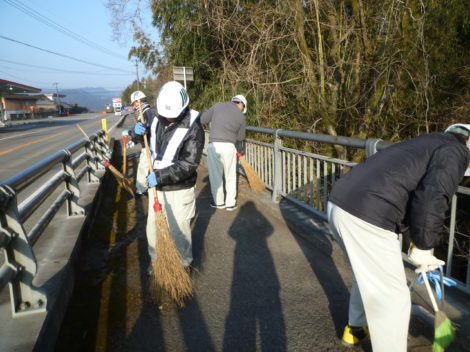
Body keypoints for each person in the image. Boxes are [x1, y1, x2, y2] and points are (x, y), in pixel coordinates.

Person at [327, 124, 470, 351]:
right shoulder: (457, 152)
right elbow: (433, 196)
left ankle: (355, 329)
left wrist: (415, 237)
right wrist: (424, 245)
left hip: (340, 204)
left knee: (366, 274)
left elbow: (405, 188)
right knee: (393, 298)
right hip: (367, 217)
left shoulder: (428, 141)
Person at [131, 81, 205, 271]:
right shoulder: (154, 116)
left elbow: (188, 165)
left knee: (180, 231)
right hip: (158, 187)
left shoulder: (194, 129)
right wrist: (136, 133)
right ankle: (157, 262)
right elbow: (142, 139)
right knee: (154, 229)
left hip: (180, 189)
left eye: (173, 115)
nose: (168, 119)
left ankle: (183, 263)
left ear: (184, 107)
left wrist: (160, 176)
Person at [201, 95, 247, 211]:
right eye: (243, 107)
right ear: (241, 104)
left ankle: (218, 202)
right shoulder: (241, 117)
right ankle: (230, 204)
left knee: (216, 176)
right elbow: (241, 137)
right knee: (230, 176)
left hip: (214, 145)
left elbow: (203, 119)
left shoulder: (218, 105)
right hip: (229, 147)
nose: (242, 110)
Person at [130, 90, 155, 195]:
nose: (133, 106)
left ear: (137, 102)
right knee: (145, 167)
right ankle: (143, 188)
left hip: (148, 145)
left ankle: (141, 190)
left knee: (143, 168)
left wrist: (133, 137)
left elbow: (143, 133)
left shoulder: (145, 113)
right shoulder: (147, 111)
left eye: (134, 103)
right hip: (150, 144)